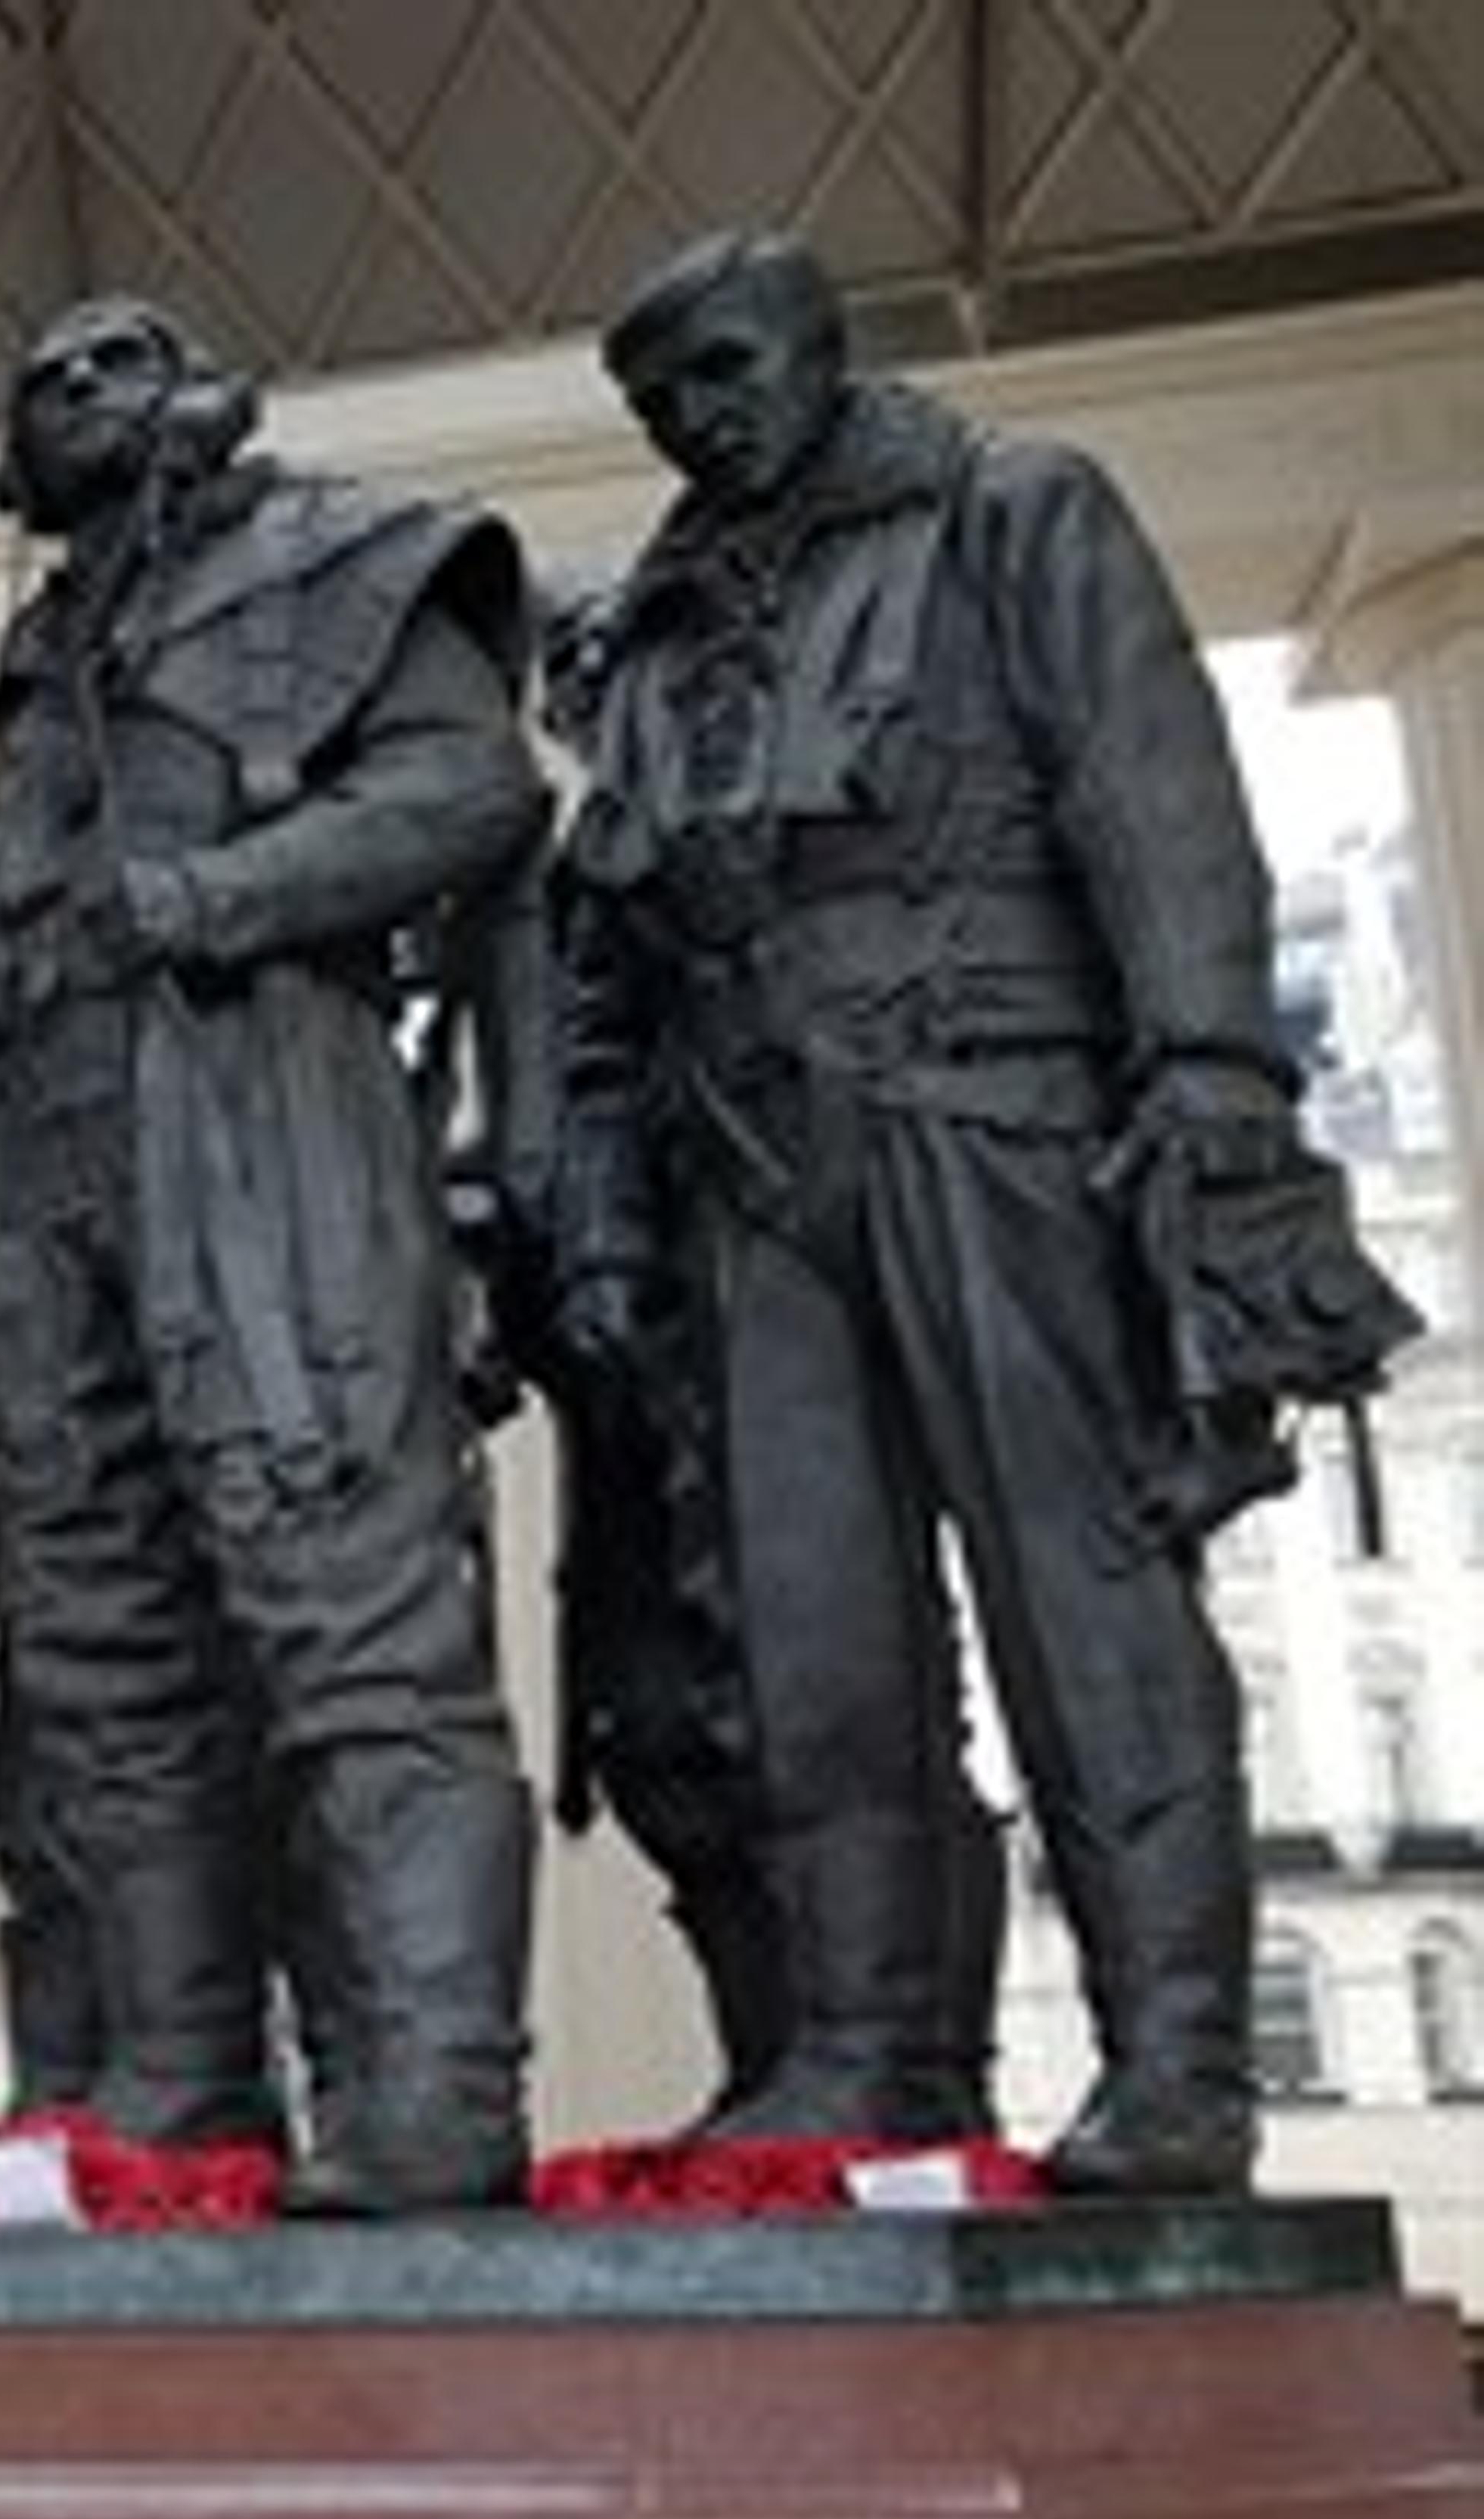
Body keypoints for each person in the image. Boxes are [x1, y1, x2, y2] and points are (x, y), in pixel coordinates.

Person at [564, 231, 1416, 2194]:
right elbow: (611, 946)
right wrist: (612, 1195)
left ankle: (1180, 2061)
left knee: (1083, 1587)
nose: (703, 416)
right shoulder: (662, 631)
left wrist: (1211, 1076)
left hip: (997, 1113)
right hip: (755, 1169)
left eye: (726, 366)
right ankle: (878, 2053)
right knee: (814, 1638)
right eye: (664, 395)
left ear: (818, 340)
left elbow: (1158, 798)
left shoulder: (1014, 510)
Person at [0, 294, 545, 2214]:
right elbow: (25, 890)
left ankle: (434, 2084)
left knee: (350, 1604)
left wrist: (203, 896)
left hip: (262, 1129)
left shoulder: (344, 554)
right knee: (96, 1635)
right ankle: (183, 2076)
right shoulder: (47, 648)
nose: (90, 384)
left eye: (125, 355)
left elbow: (471, 793)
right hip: (49, 1165)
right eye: (51, 372)